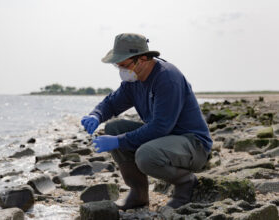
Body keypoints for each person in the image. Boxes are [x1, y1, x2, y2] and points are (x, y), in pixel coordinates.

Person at [81, 33, 212, 210]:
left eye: (124, 64)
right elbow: (112, 103)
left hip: (193, 144)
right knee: (114, 128)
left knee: (145, 155)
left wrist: (119, 141)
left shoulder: (167, 78)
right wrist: (96, 115)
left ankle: (185, 183)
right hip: (166, 139)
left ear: (142, 59)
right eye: (117, 65)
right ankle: (138, 194)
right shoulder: (133, 80)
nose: (121, 69)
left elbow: (160, 127)